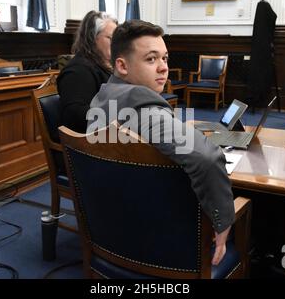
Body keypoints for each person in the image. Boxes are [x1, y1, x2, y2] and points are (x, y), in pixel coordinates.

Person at [88, 20, 235, 266]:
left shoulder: (102, 99)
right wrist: (223, 221)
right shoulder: (145, 111)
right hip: (161, 236)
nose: (163, 68)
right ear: (122, 65)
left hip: (111, 226)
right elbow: (207, 158)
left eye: (165, 59)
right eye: (151, 59)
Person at [57, 11, 117, 133]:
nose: (117, 44)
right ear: (92, 37)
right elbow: (76, 117)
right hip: (88, 143)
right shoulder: (78, 71)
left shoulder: (109, 65)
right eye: (111, 38)